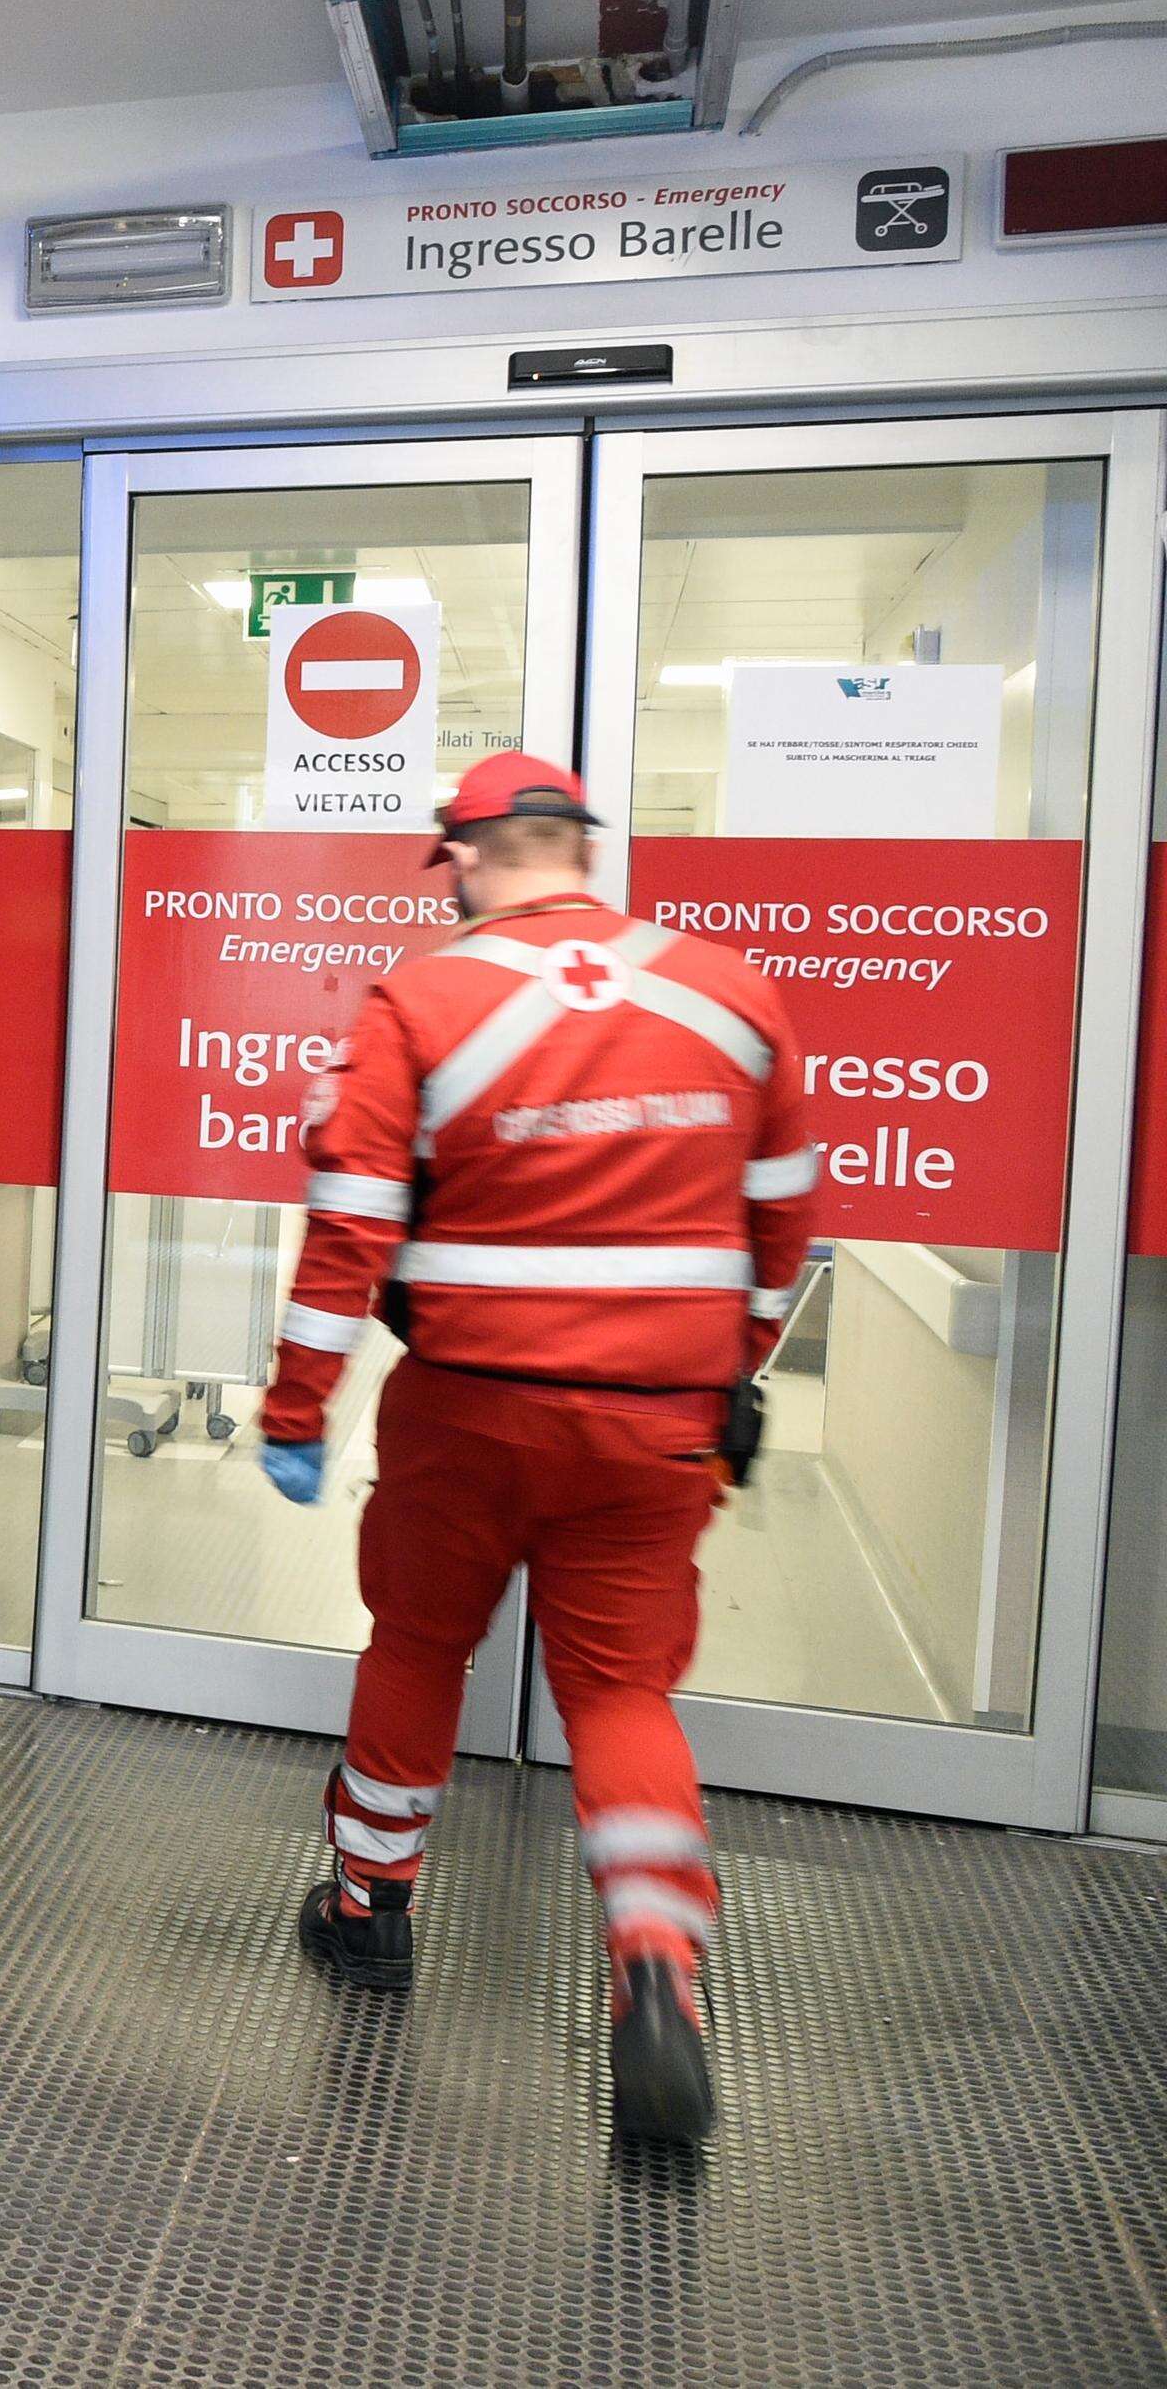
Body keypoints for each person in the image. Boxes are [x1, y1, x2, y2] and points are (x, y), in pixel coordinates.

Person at [254, 752, 816, 2146]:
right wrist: (732, 1367)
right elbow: (789, 1212)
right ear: (580, 845)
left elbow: (349, 1227)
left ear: (461, 858)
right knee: (622, 1692)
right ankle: (656, 1964)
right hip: (654, 1423)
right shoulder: (732, 993)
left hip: (471, 1407)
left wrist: (295, 1406)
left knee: (418, 1642)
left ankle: (370, 1906)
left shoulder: (426, 998)